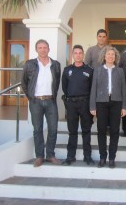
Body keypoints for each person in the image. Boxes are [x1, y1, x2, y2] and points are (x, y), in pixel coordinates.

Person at [21, 39, 61, 167]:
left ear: (49, 49)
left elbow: (56, 82)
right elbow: (24, 83)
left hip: (51, 101)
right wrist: (31, 98)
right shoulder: (29, 64)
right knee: (37, 129)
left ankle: (50, 155)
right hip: (36, 102)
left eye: (45, 47)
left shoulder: (55, 65)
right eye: (40, 47)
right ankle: (39, 156)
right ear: (36, 49)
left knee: (53, 129)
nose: (43, 49)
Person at [90, 46, 126, 168]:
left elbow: (124, 90)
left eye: (113, 54)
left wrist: (124, 106)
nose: (110, 56)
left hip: (116, 102)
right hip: (101, 103)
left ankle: (112, 158)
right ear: (104, 56)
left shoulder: (120, 71)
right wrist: (92, 106)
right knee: (101, 130)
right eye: (108, 54)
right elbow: (93, 89)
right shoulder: (97, 70)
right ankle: (102, 157)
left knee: (115, 131)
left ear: (115, 57)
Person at [61, 45, 94, 166]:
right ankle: (70, 156)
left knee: (86, 130)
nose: (78, 55)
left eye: (80, 53)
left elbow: (92, 89)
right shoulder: (67, 70)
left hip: (85, 103)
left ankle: (87, 156)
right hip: (71, 104)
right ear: (73, 55)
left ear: (83, 55)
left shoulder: (90, 70)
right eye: (76, 53)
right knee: (72, 131)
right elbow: (64, 87)